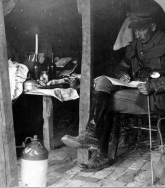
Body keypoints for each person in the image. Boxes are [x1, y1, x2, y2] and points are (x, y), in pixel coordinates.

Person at [61, 4, 165, 172]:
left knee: (105, 101)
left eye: (142, 30)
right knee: (103, 81)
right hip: (136, 90)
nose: (137, 34)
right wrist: (123, 74)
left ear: (152, 27)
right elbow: (121, 66)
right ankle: (91, 133)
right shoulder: (135, 45)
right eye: (136, 31)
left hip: (155, 97)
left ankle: (101, 153)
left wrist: (154, 85)